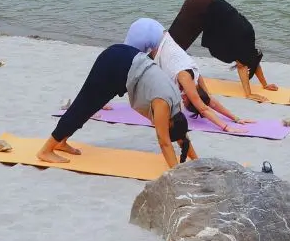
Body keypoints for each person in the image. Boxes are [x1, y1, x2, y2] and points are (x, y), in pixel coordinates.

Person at [36, 43, 197, 168]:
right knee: (84, 105)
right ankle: (46, 150)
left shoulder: (176, 110)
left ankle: (61, 142)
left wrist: (196, 161)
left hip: (127, 63)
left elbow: (181, 134)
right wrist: (176, 173)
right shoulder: (163, 104)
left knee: (88, 108)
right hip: (114, 64)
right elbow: (164, 141)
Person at [125, 18, 253, 134]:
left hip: (156, 28)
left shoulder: (197, 78)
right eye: (185, 101)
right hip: (145, 32)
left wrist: (236, 118)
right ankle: (104, 99)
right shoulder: (185, 77)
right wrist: (226, 127)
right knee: (124, 67)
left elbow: (209, 101)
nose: (183, 99)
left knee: (128, 66)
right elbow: (203, 108)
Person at [168, 0, 278, 103]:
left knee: (177, 44)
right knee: (173, 44)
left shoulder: (248, 40)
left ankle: (161, 66)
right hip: (200, 5)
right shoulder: (244, 42)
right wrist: (248, 94)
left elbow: (254, 62)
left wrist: (265, 85)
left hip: (204, 2)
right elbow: (242, 66)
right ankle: (158, 70)